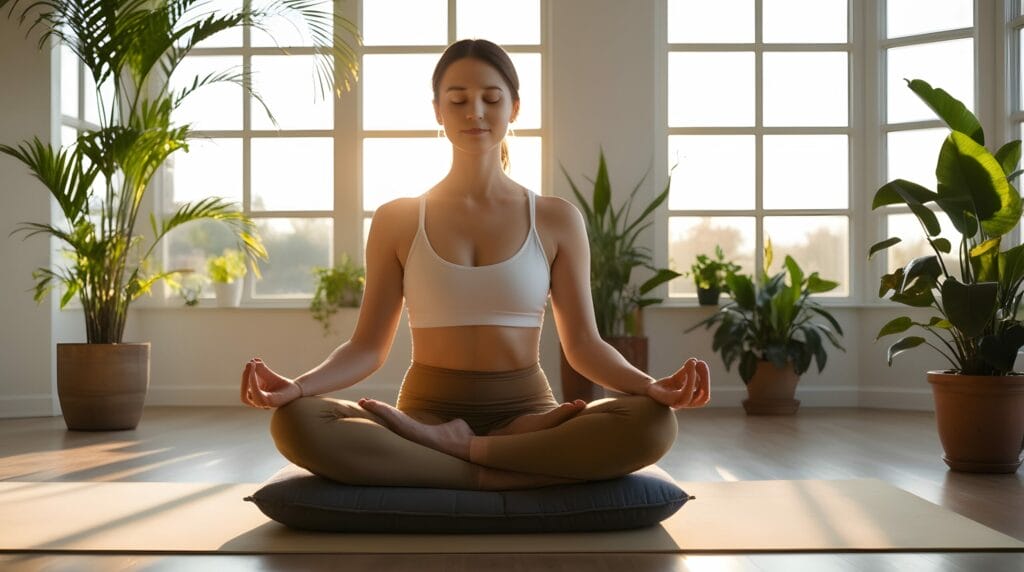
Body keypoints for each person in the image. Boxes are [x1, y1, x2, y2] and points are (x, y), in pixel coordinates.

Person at [240, 39, 711, 491]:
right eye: (458, 99)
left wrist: (653, 388)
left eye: (491, 98)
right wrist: (297, 388)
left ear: (514, 108)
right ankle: (502, 464)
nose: (476, 112)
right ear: (437, 111)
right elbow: (367, 347)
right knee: (297, 423)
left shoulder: (555, 218)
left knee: (651, 424)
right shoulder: (397, 219)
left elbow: (584, 346)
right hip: (425, 415)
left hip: (528, 415)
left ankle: (459, 457)